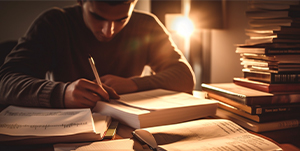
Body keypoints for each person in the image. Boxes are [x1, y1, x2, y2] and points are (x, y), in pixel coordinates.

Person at [0, 0, 195, 108]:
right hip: (64, 135)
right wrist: (62, 93)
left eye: (121, 19)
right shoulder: (54, 24)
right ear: (81, 2)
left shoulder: (147, 25)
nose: (108, 30)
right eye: (97, 17)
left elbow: (184, 77)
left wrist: (133, 84)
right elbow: (5, 82)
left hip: (127, 133)